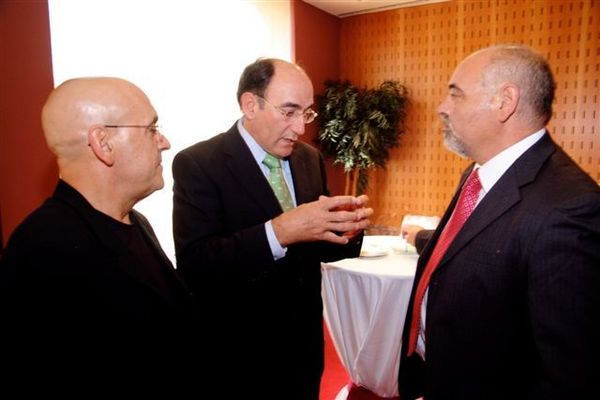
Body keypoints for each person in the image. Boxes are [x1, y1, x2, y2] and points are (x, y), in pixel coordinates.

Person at [398, 44, 600, 399]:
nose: (442, 107)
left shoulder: (569, 208)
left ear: (505, 102)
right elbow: (472, 247)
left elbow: (569, 374)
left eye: (455, 94)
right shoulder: (478, 173)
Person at [172, 58, 373, 399]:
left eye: (307, 113)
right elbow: (197, 264)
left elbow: (313, 244)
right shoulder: (199, 163)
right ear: (250, 104)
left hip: (304, 346)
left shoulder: (309, 158)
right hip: (238, 352)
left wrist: (345, 231)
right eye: (289, 112)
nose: (300, 128)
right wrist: (278, 232)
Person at [1, 77, 197, 383]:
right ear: (103, 144)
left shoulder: (135, 221)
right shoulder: (43, 247)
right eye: (151, 129)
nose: (164, 142)